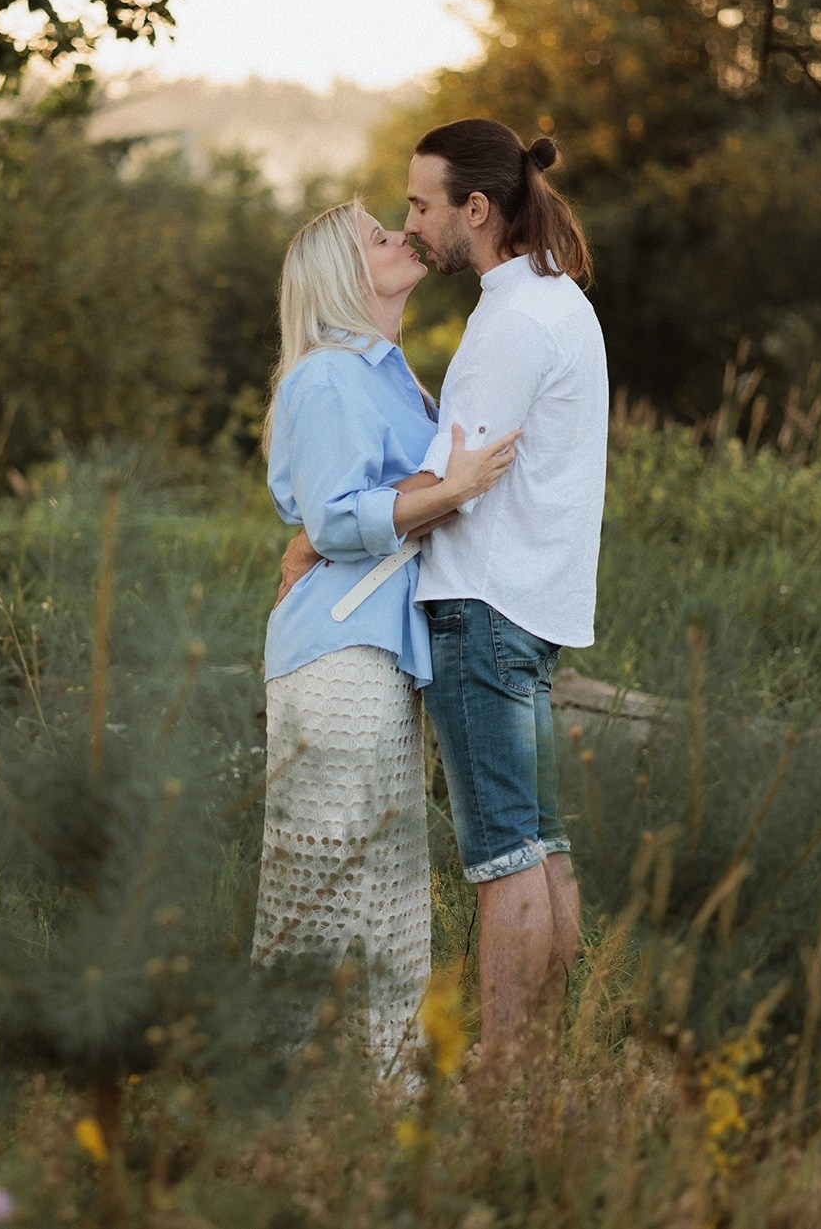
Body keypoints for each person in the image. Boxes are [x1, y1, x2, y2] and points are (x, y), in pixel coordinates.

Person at [279, 121, 606, 1073]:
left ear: (476, 209)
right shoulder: (557, 302)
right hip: (530, 608)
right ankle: (540, 1072)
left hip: (480, 609)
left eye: (421, 205)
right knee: (542, 848)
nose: (412, 223)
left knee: (504, 861)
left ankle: (505, 1082)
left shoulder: (507, 325)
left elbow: (440, 479)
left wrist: (311, 532)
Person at [256, 198, 521, 1077]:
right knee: (323, 885)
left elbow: (379, 492)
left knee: (391, 895)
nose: (401, 235)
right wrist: (453, 487)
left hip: (380, 649)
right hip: (337, 650)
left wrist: (436, 484)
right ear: (345, 275)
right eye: (379, 235)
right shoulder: (330, 375)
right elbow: (335, 519)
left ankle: (388, 1103)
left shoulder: (391, 373)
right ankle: (276, 1096)